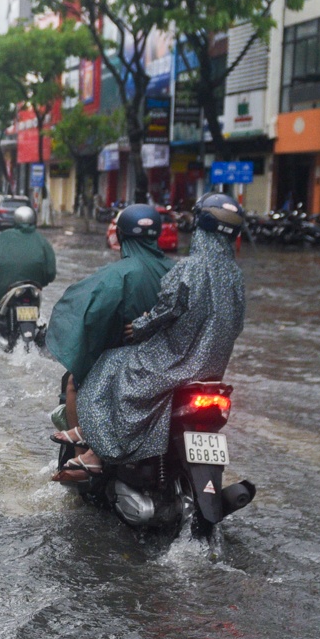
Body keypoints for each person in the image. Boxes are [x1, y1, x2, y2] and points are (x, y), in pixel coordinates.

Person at [58, 195, 247, 481]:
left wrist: (142, 326)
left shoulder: (189, 268)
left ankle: (97, 443)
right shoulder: (235, 276)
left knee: (111, 365)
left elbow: (168, 308)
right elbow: (237, 324)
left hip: (176, 363)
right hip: (213, 369)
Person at [44, 204, 175, 455]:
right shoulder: (179, 271)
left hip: (129, 366)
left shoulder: (117, 275)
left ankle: (82, 456)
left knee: (74, 382)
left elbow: (92, 319)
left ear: (122, 236)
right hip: (173, 366)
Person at [0, 203, 57, 322]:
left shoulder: (5, 236)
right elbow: (51, 272)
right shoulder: (42, 241)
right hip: (33, 289)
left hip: (7, 287)